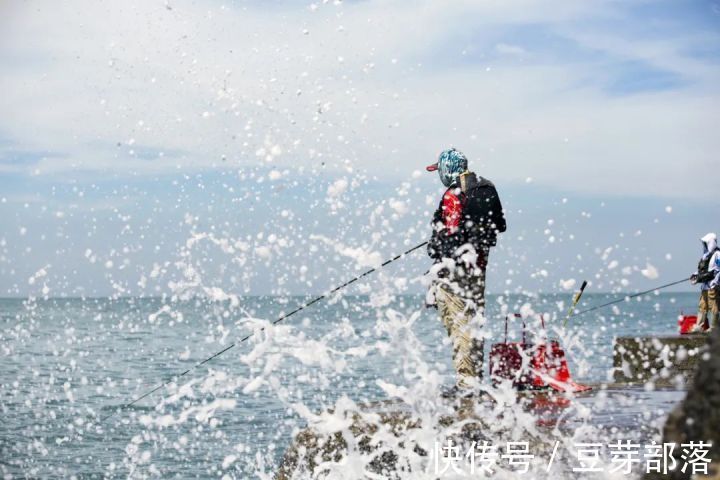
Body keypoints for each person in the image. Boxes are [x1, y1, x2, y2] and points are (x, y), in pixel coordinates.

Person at [426, 148, 506, 390]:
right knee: (474, 324)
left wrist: (435, 245)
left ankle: (466, 386)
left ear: (448, 168)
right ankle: (475, 382)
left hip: (455, 273)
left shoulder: (453, 195)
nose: (439, 174)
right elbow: (500, 225)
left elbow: (450, 237)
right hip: (478, 268)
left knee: (460, 327)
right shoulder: (487, 188)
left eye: (439, 169)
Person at [691, 233, 720, 332]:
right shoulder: (705, 256)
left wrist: (716, 282)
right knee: (702, 305)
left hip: (713, 286)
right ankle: (699, 326)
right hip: (704, 286)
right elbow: (701, 270)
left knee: (714, 306)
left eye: (706, 243)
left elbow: (718, 270)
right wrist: (695, 276)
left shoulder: (717, 254)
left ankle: (713, 327)